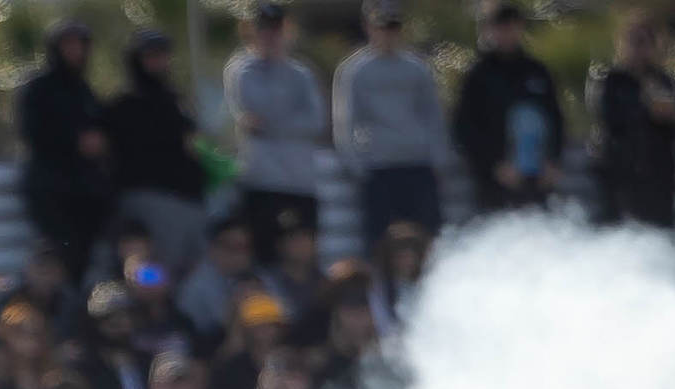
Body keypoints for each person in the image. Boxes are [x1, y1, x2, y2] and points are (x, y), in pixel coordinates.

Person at [225, 4, 330, 266]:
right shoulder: (241, 70)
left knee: (305, 261)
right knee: (265, 259)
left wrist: (270, 124)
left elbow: (315, 122)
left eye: (276, 28)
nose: (270, 35)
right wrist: (289, 121)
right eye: (264, 29)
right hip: (262, 182)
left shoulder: (302, 74)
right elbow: (249, 115)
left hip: (301, 183)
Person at [107, 29, 214, 284]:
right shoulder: (124, 105)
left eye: (163, 55)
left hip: (189, 204)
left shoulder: (176, 99)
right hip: (151, 201)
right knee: (158, 277)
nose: (158, 62)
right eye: (151, 56)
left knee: (193, 275)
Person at [18, 21, 120, 287]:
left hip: (86, 193)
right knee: (63, 256)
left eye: (80, 44)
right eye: (68, 45)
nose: (75, 51)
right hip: (52, 190)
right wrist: (74, 142)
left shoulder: (84, 90)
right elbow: (32, 132)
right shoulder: (39, 89)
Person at [337, 5, 446, 244]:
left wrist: (438, 159)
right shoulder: (355, 70)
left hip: (418, 165)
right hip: (379, 168)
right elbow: (347, 120)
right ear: (369, 28)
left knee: (427, 238)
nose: (387, 34)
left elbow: (433, 116)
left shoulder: (418, 68)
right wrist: (355, 164)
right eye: (381, 27)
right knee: (381, 241)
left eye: (393, 28)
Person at [452, 5, 565, 218]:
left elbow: (556, 119)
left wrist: (553, 160)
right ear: (489, 30)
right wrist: (494, 165)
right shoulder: (478, 75)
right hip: (497, 179)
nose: (507, 33)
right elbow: (465, 128)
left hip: (538, 177)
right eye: (501, 28)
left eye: (512, 27)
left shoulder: (537, 70)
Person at [593, 14, 675, 231]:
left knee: (658, 232)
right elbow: (609, 120)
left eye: (644, 42)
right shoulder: (612, 80)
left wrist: (670, 117)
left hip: (658, 173)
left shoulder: (665, 82)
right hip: (620, 171)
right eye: (633, 42)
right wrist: (642, 107)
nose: (638, 49)